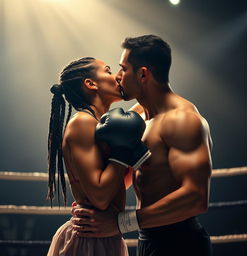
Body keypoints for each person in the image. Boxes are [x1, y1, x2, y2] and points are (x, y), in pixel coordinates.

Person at [72, 35, 213, 256]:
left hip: (182, 243)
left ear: (143, 74)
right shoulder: (136, 117)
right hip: (147, 239)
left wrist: (120, 222)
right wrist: (90, 202)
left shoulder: (182, 120)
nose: (118, 77)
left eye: (123, 69)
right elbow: (130, 176)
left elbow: (196, 198)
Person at [46, 57, 151, 256]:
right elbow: (101, 197)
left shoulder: (99, 125)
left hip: (105, 235)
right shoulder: (82, 123)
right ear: (91, 84)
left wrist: (144, 90)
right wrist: (122, 151)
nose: (116, 77)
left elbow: (115, 185)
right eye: (108, 70)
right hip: (89, 242)